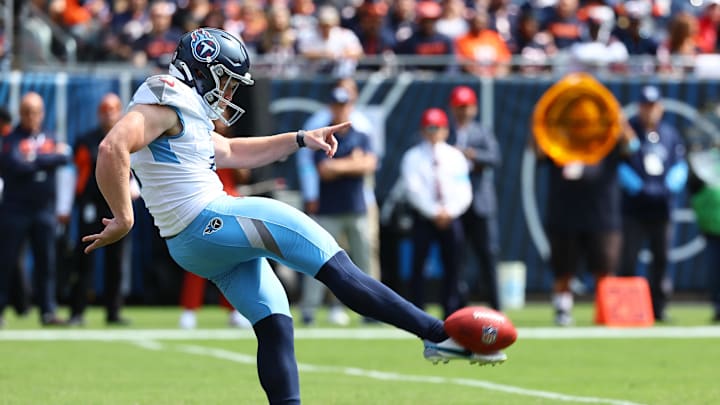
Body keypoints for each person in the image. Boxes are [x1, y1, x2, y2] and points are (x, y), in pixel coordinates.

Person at [80, 28, 507, 404]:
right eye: (225, 80)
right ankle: (437, 335)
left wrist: (301, 138)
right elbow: (112, 147)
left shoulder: (181, 110)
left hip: (190, 244)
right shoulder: (161, 100)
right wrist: (123, 216)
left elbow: (230, 151)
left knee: (275, 322)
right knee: (334, 262)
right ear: (204, 68)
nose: (228, 92)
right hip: (208, 218)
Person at [535, 106, 638, 326]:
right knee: (564, 270)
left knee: (604, 268)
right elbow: (538, 151)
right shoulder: (558, 142)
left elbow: (632, 147)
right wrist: (538, 120)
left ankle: (606, 310)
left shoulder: (607, 140)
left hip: (601, 215)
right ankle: (563, 310)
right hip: (565, 214)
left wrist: (620, 122)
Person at [300, 85, 378, 326]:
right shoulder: (322, 136)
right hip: (329, 208)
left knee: (365, 261)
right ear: (331, 107)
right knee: (319, 259)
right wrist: (352, 163)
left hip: (357, 207)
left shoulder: (361, 135)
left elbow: (369, 165)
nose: (340, 109)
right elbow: (324, 171)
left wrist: (341, 165)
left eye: (344, 105)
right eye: (336, 105)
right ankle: (309, 309)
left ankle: (373, 309)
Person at [67, 93, 139, 326]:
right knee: (85, 257)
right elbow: (79, 176)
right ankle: (77, 311)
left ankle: (113, 311)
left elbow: (133, 170)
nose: (109, 114)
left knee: (116, 261)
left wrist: (133, 187)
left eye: (113, 109)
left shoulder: (128, 140)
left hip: (115, 205)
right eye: (105, 109)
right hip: (92, 204)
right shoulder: (86, 140)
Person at [0, 92, 71, 327]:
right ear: (21, 114)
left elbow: (63, 158)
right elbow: (16, 164)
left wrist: (36, 158)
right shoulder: (11, 138)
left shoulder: (48, 135)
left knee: (46, 262)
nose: (32, 116)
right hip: (15, 209)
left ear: (42, 113)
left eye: (36, 111)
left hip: (43, 210)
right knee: (6, 262)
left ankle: (48, 311)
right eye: (27, 112)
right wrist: (45, 157)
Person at [617, 85, 687, 322]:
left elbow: (680, 165)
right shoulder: (630, 131)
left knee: (662, 259)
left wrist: (668, 187)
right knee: (628, 258)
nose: (649, 111)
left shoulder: (670, 134)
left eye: (653, 106)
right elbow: (620, 163)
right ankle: (625, 308)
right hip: (635, 209)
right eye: (645, 106)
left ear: (661, 108)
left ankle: (660, 307)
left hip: (662, 208)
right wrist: (637, 186)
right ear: (639, 107)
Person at [399, 108, 472, 318]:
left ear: (445, 130)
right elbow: (414, 190)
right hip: (425, 217)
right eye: (429, 128)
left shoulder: (454, 156)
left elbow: (463, 190)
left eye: (437, 128)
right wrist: (434, 211)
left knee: (454, 266)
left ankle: (451, 310)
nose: (433, 132)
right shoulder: (412, 157)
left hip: (450, 217)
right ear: (422, 130)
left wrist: (449, 211)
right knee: (418, 265)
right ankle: (416, 311)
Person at [448, 86, 501, 310]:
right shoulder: (446, 132)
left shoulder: (481, 132)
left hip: (480, 202)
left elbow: (495, 157)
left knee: (488, 255)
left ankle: (496, 306)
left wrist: (473, 155)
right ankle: (456, 307)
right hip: (455, 204)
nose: (463, 111)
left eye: (467, 107)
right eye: (460, 107)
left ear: (474, 108)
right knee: (455, 258)